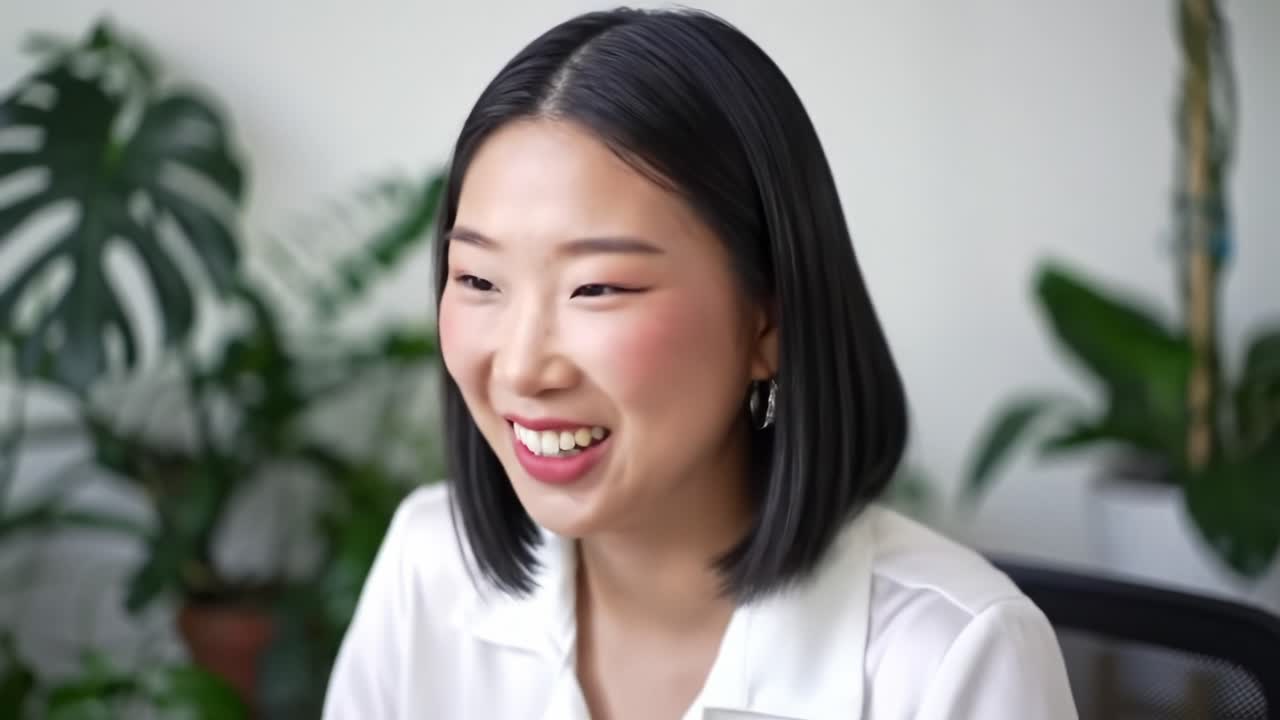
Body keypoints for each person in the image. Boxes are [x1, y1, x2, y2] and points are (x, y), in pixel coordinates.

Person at [323, 7, 1077, 719]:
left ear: (768, 322)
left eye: (598, 288)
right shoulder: (429, 565)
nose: (521, 368)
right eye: (479, 281)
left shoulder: (953, 660)